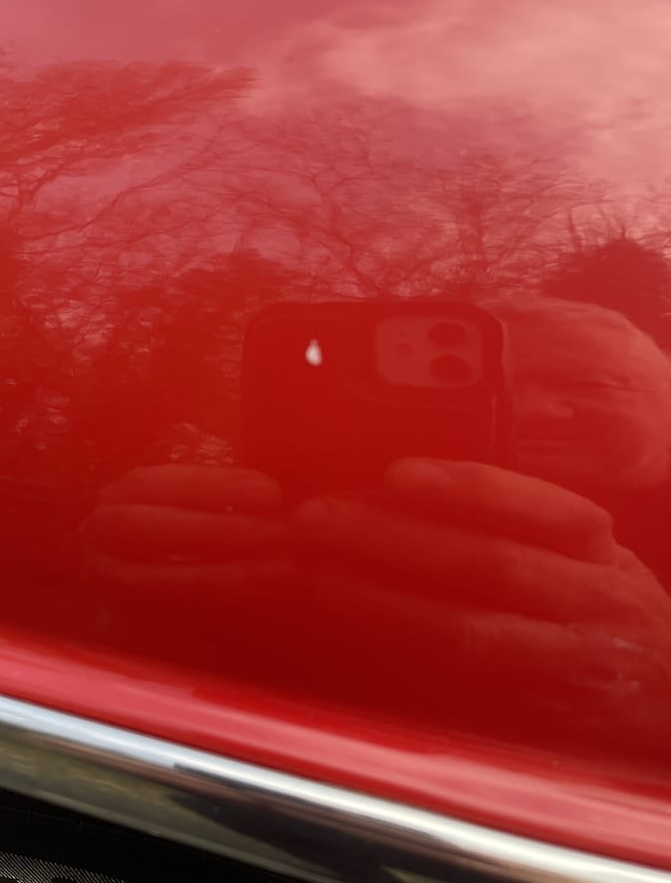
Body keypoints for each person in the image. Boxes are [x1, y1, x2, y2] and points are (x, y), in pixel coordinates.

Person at [78, 297, 671, 763]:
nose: (534, 410)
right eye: (496, 384)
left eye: (592, 385)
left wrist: (656, 686)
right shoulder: (280, 498)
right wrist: (134, 603)